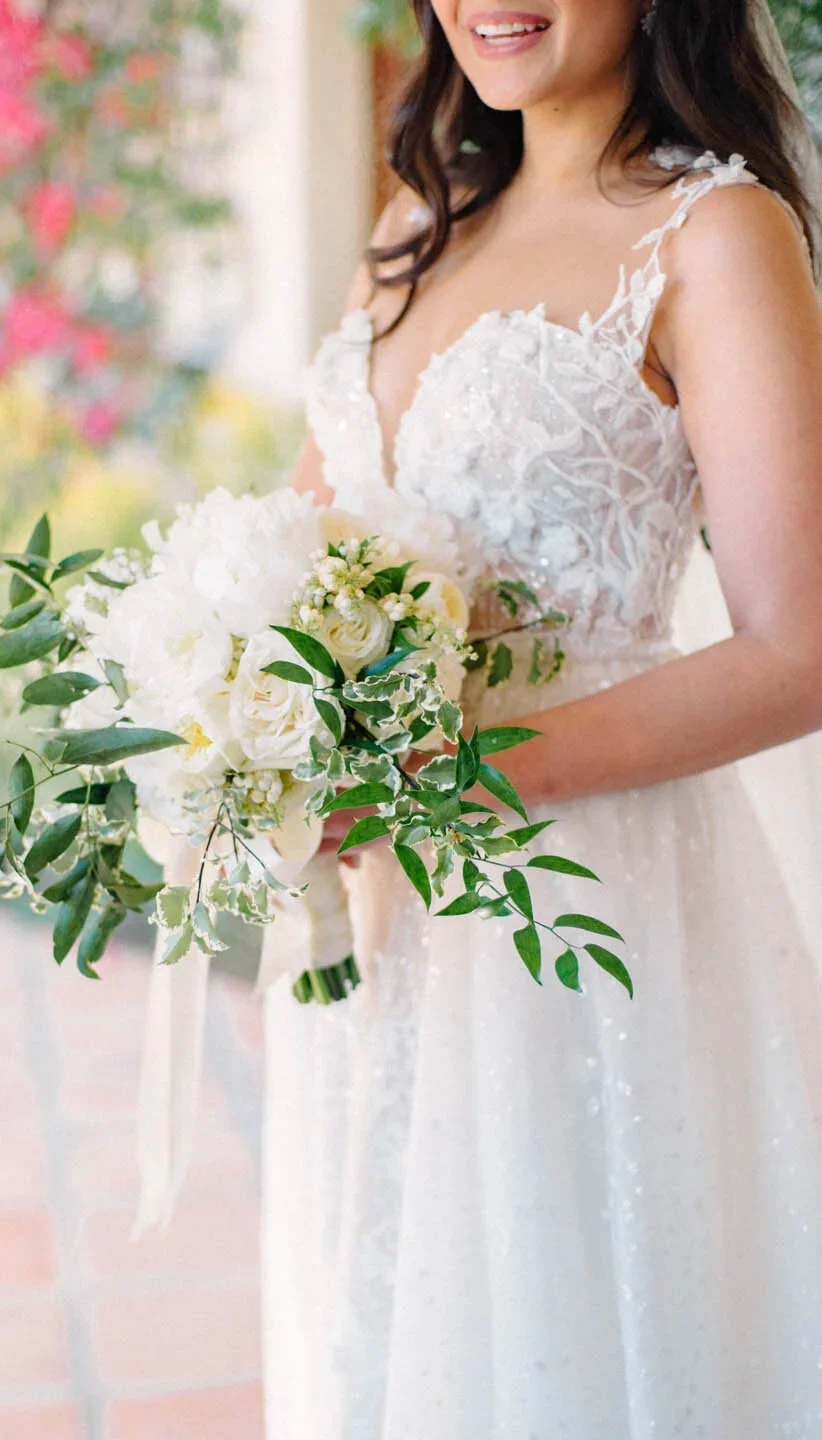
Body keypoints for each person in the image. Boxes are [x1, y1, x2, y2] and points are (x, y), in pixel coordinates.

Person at [261, 1, 822, 1435]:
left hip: (577, 902)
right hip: (384, 912)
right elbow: (302, 554)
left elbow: (798, 650)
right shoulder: (417, 221)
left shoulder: (712, 235)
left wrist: (449, 775)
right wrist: (244, 727)